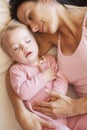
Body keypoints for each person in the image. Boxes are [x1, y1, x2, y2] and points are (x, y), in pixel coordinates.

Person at [8, 0, 87, 130]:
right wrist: (21, 113)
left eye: (30, 16)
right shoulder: (47, 39)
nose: (33, 28)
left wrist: (75, 107)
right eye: (29, 25)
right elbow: (16, 70)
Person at [1, 20, 70, 130]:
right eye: (16, 48)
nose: (24, 47)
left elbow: (62, 78)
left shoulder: (49, 60)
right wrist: (43, 78)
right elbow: (23, 92)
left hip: (63, 111)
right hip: (44, 120)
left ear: (35, 42)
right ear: (11, 56)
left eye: (28, 41)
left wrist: (57, 94)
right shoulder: (17, 70)